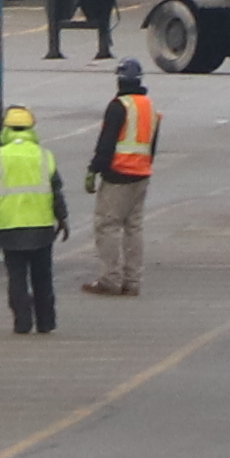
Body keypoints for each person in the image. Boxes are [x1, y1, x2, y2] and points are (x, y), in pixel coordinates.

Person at [82, 59, 158, 297]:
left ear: (120, 80)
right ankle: (132, 281)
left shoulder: (119, 106)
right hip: (141, 174)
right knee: (134, 228)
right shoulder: (148, 106)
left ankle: (110, 279)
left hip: (119, 174)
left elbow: (107, 142)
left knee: (108, 226)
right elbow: (151, 144)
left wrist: (95, 169)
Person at [0, 103, 63, 332]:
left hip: (9, 226)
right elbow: (56, 189)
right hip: (41, 226)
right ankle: (46, 322)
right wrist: (63, 217)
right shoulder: (43, 155)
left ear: (6, 129)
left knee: (17, 278)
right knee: (43, 277)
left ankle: (22, 322)